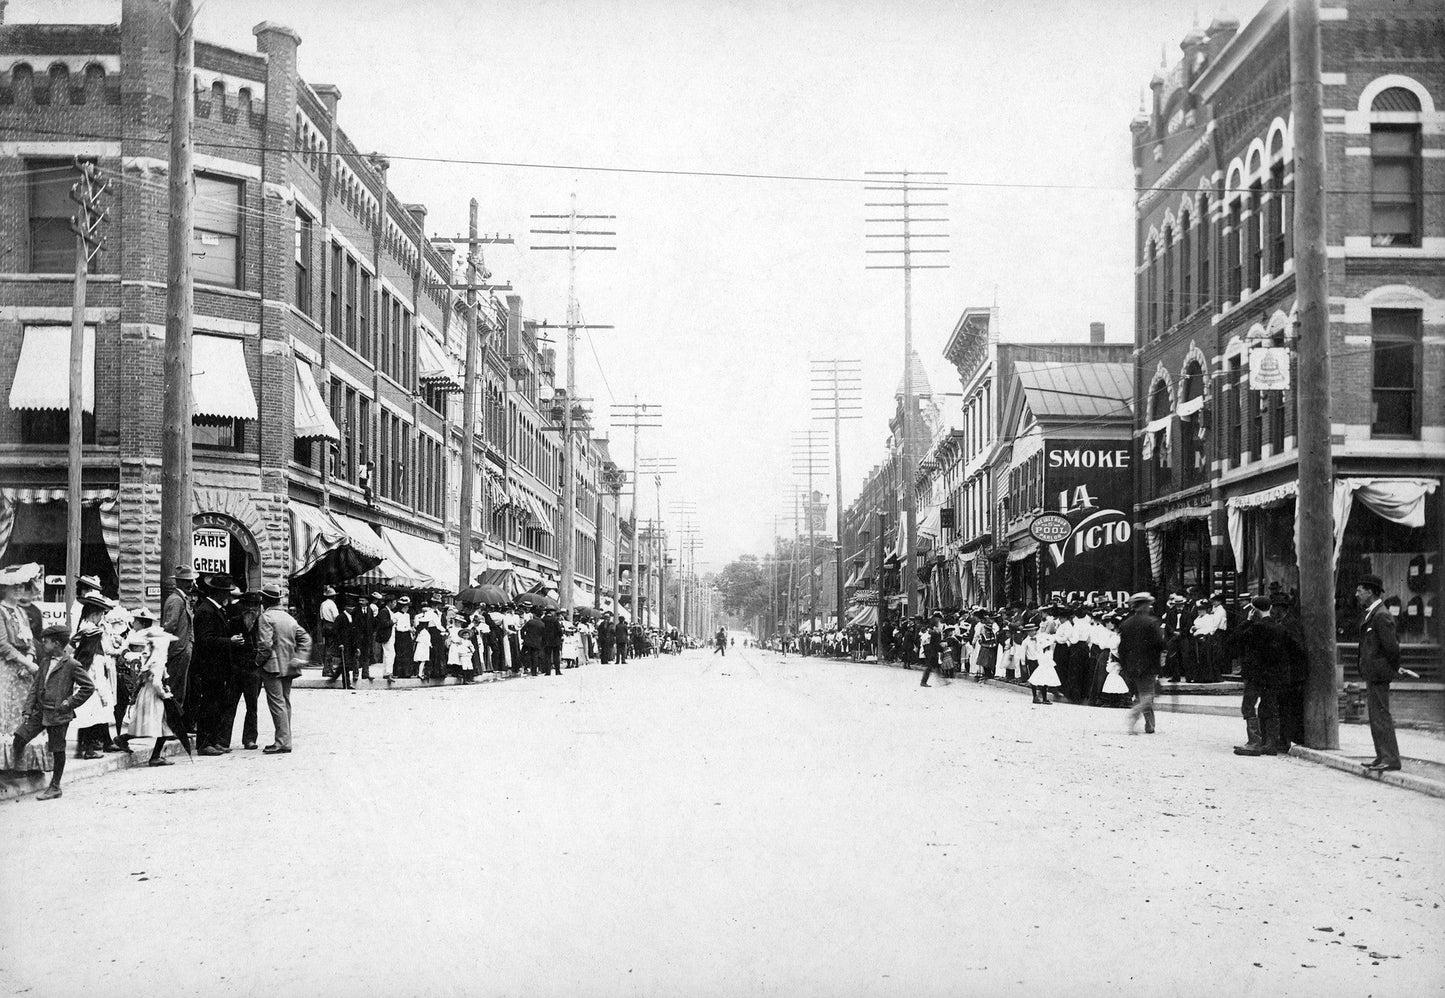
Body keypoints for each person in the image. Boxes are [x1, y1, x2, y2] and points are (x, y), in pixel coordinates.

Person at [10, 625, 95, 800]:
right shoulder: (45, 662)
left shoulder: (71, 664)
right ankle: (17, 773)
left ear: (56, 644)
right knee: (19, 737)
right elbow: (35, 687)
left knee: (57, 749)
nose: (43, 644)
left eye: (46, 642)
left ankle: (55, 786)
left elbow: (88, 687)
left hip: (59, 715)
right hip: (41, 711)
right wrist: (28, 709)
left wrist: (69, 703)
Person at [255, 585, 310, 754]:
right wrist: (299, 657)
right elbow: (305, 639)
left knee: (277, 703)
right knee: (285, 702)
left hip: (272, 666)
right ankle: (285, 740)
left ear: (266, 600)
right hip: (289, 665)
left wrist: (257, 662)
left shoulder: (266, 617)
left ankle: (282, 742)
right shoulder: (289, 618)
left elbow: (265, 645)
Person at [1, 565, 45, 771]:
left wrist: (29, 658)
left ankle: (23, 763)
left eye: (21, 586)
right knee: (6, 712)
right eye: (14, 586)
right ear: (5, 588)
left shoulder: (21, 611)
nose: (19, 589)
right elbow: (3, 644)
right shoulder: (1, 611)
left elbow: (30, 641)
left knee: (25, 712)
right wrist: (26, 663)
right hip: (6, 668)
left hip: (24, 671)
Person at [1356, 575, 1402, 772]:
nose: (1356, 594)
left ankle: (1390, 758)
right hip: (1374, 673)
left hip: (1379, 674)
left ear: (1370, 592)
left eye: (1359, 590)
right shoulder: (1373, 614)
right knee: (1375, 717)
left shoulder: (1381, 615)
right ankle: (1382, 756)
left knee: (1381, 716)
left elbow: (1392, 647)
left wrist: (1391, 668)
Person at [193, 573, 242, 756]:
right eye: (226, 592)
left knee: (217, 704)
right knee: (209, 705)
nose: (228, 596)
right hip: (209, 667)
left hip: (218, 667)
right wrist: (230, 641)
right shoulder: (206, 611)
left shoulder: (216, 609)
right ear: (218, 593)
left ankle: (213, 741)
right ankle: (204, 743)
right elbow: (205, 640)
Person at [1119, 592, 1166, 735]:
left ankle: (1150, 725)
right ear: (1144, 606)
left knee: (1141, 694)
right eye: (1148, 604)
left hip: (1131, 666)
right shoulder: (1151, 622)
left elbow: (1122, 649)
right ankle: (1135, 712)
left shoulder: (1126, 624)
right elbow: (1160, 643)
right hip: (1148, 665)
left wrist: (1125, 666)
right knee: (1147, 695)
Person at [160, 566, 196, 727]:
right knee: (175, 689)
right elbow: (170, 626)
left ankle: (172, 726)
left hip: (181, 648)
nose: (190, 584)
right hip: (178, 649)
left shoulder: (181, 599)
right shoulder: (176, 600)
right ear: (179, 582)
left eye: (190, 581)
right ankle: (170, 727)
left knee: (178, 689)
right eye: (186, 581)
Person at [918, 614, 944, 687]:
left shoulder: (932, 629)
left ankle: (942, 681)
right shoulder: (932, 630)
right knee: (930, 666)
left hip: (931, 650)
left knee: (934, 666)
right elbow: (934, 642)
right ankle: (924, 682)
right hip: (931, 651)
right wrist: (941, 649)